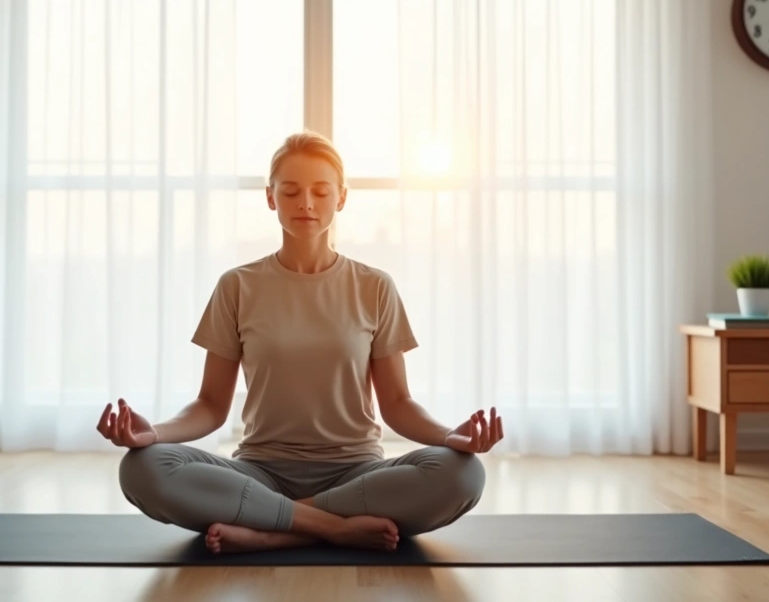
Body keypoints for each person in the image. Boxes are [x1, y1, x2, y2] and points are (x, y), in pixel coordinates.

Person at [96, 130, 503, 554]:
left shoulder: (375, 286)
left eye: (320, 191)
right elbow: (211, 406)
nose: (305, 203)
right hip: (259, 472)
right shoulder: (237, 286)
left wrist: (449, 436)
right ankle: (332, 528)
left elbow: (398, 405)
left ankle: (273, 527)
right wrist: (154, 433)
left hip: (355, 475)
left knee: (464, 475)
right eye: (290, 192)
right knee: (142, 468)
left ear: (341, 198)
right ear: (270, 197)